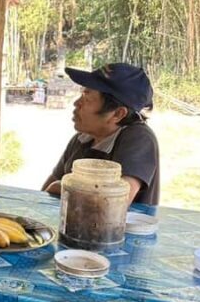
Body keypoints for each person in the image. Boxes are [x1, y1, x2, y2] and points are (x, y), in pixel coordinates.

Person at [43, 62, 159, 205]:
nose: (76, 103)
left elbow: (113, 203)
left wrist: (60, 187)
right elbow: (45, 193)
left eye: (87, 98)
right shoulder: (82, 139)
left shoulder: (139, 138)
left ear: (117, 114)